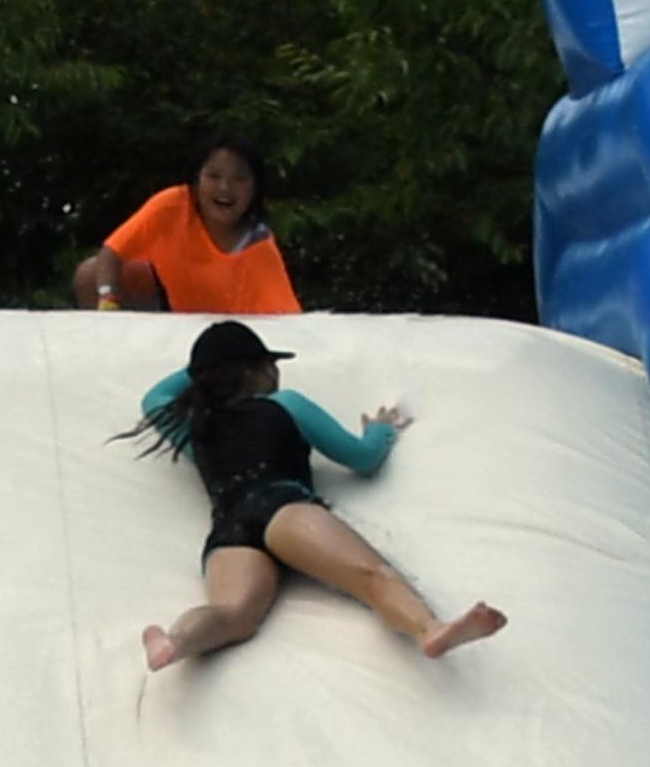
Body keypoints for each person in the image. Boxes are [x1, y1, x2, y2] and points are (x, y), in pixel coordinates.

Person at [130, 321, 501, 669]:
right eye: (268, 364)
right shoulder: (285, 405)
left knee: (232, 613)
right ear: (252, 371)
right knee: (372, 576)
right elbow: (362, 457)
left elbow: (154, 397)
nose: (276, 372)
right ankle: (428, 629)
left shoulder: (194, 430)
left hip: (228, 528)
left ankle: (175, 640)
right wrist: (382, 431)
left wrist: (207, 366)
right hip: (283, 509)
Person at [75, 134, 298, 316]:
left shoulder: (257, 247)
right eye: (213, 176)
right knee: (90, 274)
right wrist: (108, 299)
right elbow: (112, 252)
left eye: (239, 179)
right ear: (196, 179)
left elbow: (286, 321)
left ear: (254, 190)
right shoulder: (171, 205)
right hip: (164, 302)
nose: (225, 187)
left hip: (223, 336)